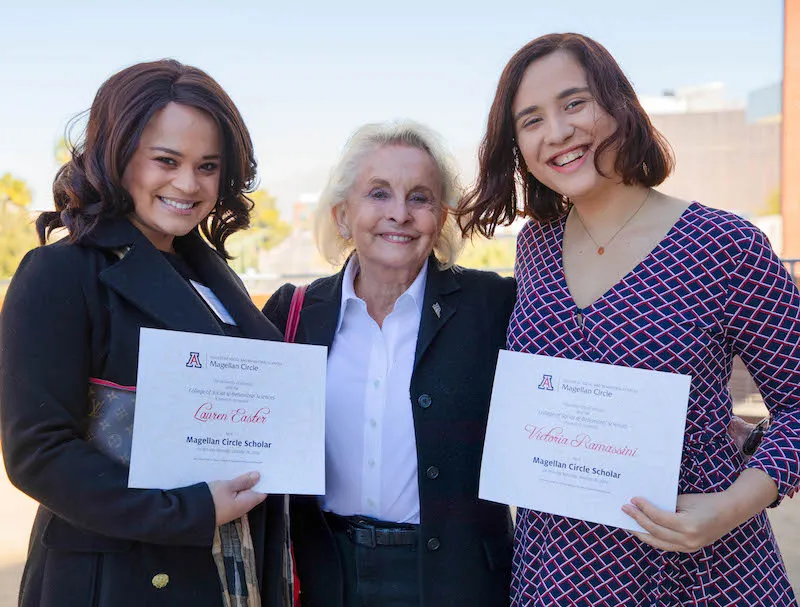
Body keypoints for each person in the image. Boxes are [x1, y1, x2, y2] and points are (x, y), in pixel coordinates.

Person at [458, 33, 800, 606]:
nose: (558, 132)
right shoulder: (535, 248)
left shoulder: (723, 244)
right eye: (531, 120)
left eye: (574, 103)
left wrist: (731, 506)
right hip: (556, 574)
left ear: (619, 104)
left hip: (699, 575)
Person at [0, 60, 289, 607]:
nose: (188, 184)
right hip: (117, 577)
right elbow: (38, 452)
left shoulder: (206, 270)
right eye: (166, 160)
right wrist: (190, 511)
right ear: (117, 153)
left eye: (208, 166)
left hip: (222, 566)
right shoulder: (59, 272)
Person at [263, 120, 515, 606]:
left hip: (453, 580)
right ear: (342, 215)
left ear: (439, 218)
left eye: (419, 198)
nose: (399, 214)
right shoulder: (292, 313)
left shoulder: (492, 305)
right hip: (325, 576)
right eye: (378, 194)